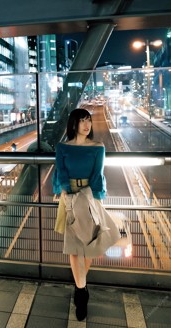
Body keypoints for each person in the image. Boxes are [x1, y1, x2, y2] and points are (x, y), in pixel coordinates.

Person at [53, 108, 120, 321]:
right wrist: (66, 195)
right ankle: (81, 292)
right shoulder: (62, 147)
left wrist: (92, 200)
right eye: (82, 121)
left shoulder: (98, 147)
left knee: (90, 246)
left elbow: (97, 176)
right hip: (69, 198)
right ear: (73, 124)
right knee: (74, 247)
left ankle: (80, 284)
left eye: (88, 121)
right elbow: (62, 172)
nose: (87, 125)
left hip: (90, 198)